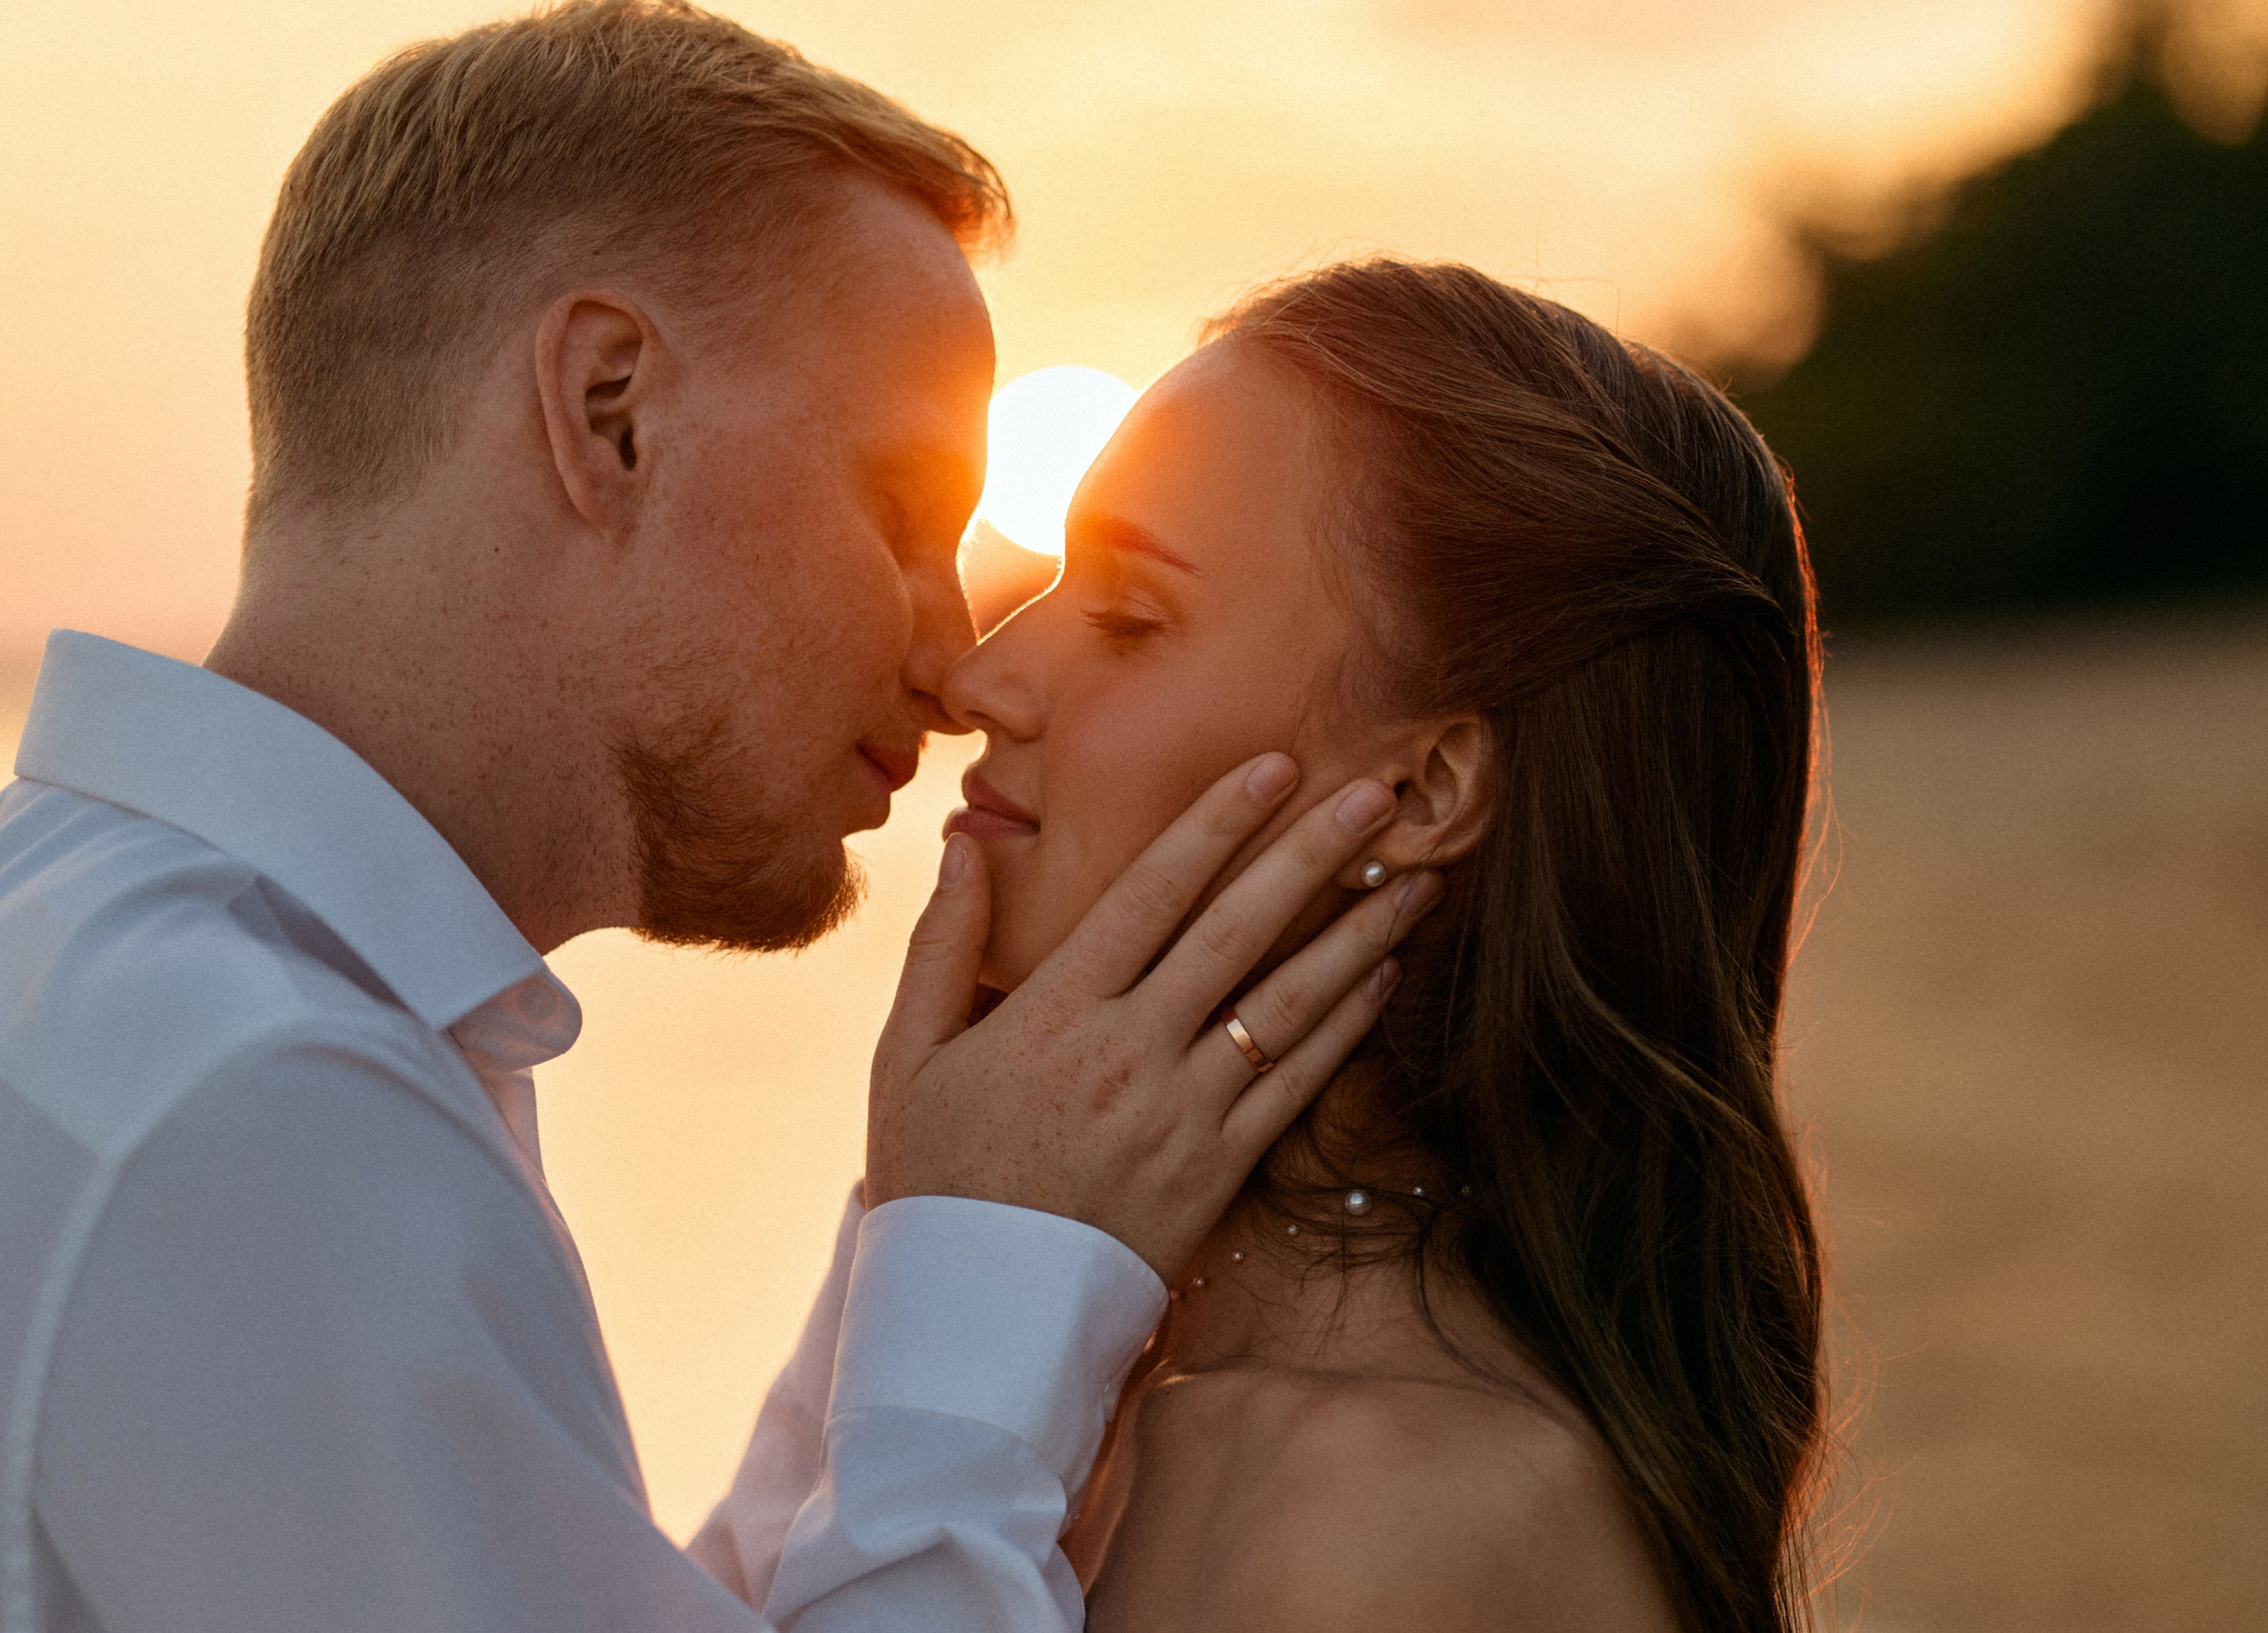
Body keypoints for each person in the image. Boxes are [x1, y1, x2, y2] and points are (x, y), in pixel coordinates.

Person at [0, 0, 1431, 1633]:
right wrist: (1000, 1279)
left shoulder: (73, 961)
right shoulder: (246, 1099)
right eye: (902, 509)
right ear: (611, 413)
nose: (956, 661)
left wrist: (935, 1228)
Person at [715, 260, 1834, 1632]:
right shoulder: (1106, 1379)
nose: (981, 674)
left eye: (1129, 619)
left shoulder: (1371, 1516)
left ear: (1423, 793)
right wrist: (936, 1227)